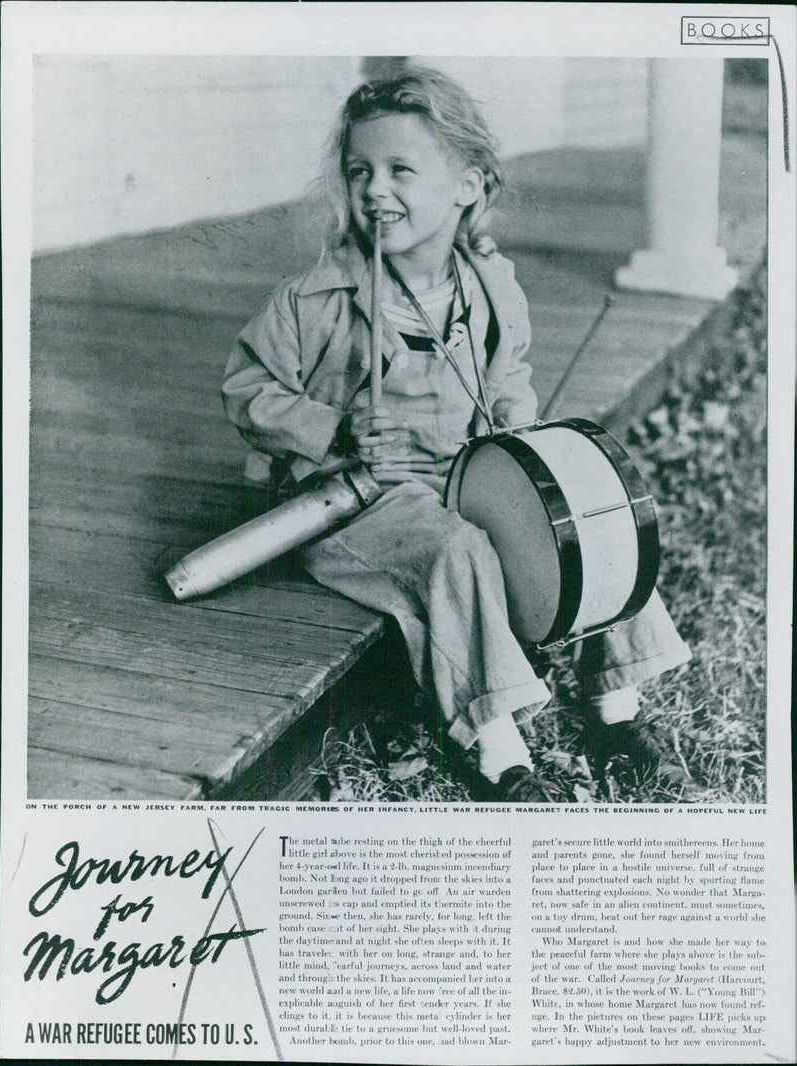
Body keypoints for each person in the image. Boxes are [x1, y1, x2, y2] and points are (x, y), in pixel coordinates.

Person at [222, 66, 697, 802]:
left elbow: (509, 376)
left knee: (591, 513)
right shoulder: (316, 300)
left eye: (400, 170)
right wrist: (331, 426)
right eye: (359, 172)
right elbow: (247, 389)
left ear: (468, 185)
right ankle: (499, 751)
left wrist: (515, 417)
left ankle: (616, 713)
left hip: (465, 471)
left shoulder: (490, 286)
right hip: (361, 498)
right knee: (458, 548)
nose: (375, 189)